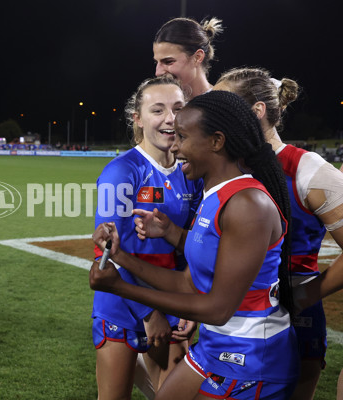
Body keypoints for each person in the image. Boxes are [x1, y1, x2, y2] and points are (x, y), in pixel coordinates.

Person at [90, 90, 299, 399]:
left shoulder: (247, 203)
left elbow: (217, 309)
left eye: (183, 137)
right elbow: (188, 282)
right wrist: (121, 256)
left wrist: (121, 287)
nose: (175, 146)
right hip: (217, 344)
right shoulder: (212, 194)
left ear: (216, 141)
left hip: (250, 354)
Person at [210, 67, 343, 400]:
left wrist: (307, 295)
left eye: (226, 106)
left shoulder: (307, 168)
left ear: (257, 111)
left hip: (293, 318)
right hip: (228, 318)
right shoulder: (224, 167)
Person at [91, 75, 203, 399]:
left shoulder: (191, 172)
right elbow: (107, 253)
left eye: (178, 108)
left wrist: (187, 306)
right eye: (158, 110)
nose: (170, 118)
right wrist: (149, 314)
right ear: (138, 119)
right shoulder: (122, 171)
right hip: (123, 306)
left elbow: (189, 249)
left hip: (170, 301)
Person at [153, 17, 223, 100]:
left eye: (168, 62)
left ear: (197, 57)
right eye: (156, 62)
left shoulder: (225, 105)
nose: (158, 72)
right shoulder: (159, 106)